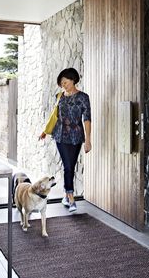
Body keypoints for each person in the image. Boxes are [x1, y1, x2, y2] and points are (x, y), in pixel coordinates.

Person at [39, 67, 91, 212]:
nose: (63, 85)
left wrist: (88, 140)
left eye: (65, 82)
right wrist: (45, 131)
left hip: (76, 136)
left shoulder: (83, 97)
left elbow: (87, 119)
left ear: (73, 80)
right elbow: (54, 116)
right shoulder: (59, 96)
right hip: (60, 136)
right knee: (68, 166)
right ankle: (71, 198)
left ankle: (65, 196)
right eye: (61, 83)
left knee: (70, 167)